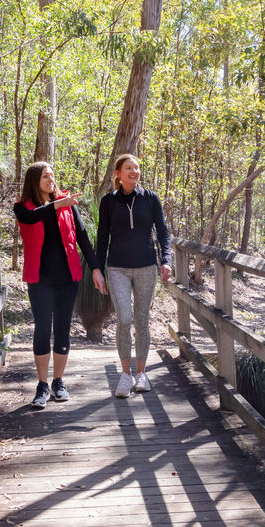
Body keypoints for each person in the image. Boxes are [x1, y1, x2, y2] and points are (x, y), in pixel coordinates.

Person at [14, 161, 99, 409]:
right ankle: (41, 385)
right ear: (34, 181)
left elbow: (82, 238)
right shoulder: (23, 207)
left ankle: (58, 382)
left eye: (52, 175)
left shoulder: (67, 205)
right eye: (45, 176)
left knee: (62, 328)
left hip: (66, 278)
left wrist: (95, 268)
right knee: (42, 328)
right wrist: (56, 205)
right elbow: (30, 218)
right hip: (40, 279)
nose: (51, 179)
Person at [93, 154, 172, 398]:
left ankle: (141, 374)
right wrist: (97, 268)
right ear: (118, 173)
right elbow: (103, 236)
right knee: (124, 319)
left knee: (141, 320)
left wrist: (166, 260)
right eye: (128, 168)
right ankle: (125, 375)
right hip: (117, 268)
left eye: (137, 167)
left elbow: (163, 232)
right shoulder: (108, 202)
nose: (134, 171)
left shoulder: (150, 199)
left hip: (147, 266)